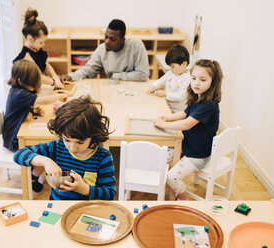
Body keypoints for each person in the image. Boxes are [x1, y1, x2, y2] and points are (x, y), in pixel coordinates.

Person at [13, 95, 116, 199]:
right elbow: (19, 154)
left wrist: (85, 189)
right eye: (67, 140)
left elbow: (110, 194)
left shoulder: (103, 157)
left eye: (80, 142)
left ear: (93, 136)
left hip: (87, 210)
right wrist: (46, 161)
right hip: (57, 207)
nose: (72, 148)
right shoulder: (57, 147)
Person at [153, 59, 223, 200]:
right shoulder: (198, 96)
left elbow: (186, 124)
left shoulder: (209, 105)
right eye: (194, 78)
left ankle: (184, 201)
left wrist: (163, 124)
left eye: (202, 79)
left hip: (198, 155)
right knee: (158, 157)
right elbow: (185, 113)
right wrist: (167, 117)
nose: (196, 83)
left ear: (212, 82)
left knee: (172, 177)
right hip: (187, 146)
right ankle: (160, 189)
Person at [2, 60, 66, 156]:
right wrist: (59, 96)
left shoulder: (17, 90)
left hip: (12, 136)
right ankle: (36, 167)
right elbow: (43, 100)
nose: (34, 86)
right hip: (14, 141)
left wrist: (32, 111)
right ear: (20, 81)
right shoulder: (19, 94)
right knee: (48, 146)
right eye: (32, 83)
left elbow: (19, 109)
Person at [64, 19, 149, 82]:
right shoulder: (102, 49)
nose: (107, 42)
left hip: (135, 88)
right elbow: (89, 69)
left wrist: (116, 76)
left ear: (122, 40)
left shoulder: (136, 46)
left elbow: (143, 74)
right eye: (106, 37)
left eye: (112, 39)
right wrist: (71, 76)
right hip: (114, 88)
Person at [13, 8, 64, 89]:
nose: (43, 45)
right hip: (24, 93)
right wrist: (54, 83)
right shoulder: (26, 56)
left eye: (44, 42)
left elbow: (46, 66)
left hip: (34, 87)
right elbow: (38, 76)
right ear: (30, 39)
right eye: (41, 42)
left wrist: (55, 77)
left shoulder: (36, 49)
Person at [147, 45, 191, 113]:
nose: (171, 69)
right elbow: (161, 80)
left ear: (184, 64)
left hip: (177, 111)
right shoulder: (171, 73)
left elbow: (180, 96)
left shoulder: (187, 79)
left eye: (173, 67)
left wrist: (165, 94)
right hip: (166, 105)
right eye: (170, 66)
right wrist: (154, 86)